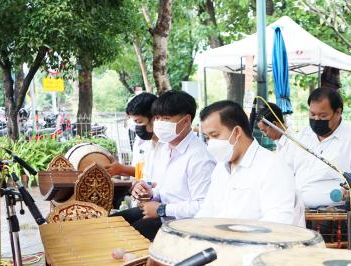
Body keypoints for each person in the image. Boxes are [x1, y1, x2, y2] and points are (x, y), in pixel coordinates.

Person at [113, 90, 216, 240]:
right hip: (161, 215)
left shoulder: (200, 158)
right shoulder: (167, 147)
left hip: (181, 228)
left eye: (166, 119)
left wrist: (162, 209)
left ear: (186, 121)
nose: (159, 124)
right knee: (113, 222)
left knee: (125, 238)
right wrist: (149, 193)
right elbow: (164, 189)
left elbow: (202, 206)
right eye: (158, 118)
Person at [195, 100, 301, 226]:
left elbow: (278, 224)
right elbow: (207, 212)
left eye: (215, 135)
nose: (210, 143)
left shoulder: (273, 168)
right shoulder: (220, 168)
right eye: (207, 138)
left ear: (237, 132)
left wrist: (233, 236)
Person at [282, 87, 351, 208]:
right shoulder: (302, 137)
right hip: (298, 211)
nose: (317, 119)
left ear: (338, 112)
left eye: (323, 116)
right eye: (312, 114)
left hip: (337, 215)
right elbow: (284, 168)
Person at [106, 92, 157, 178]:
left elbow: (153, 173)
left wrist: (123, 169)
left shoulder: (165, 144)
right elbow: (140, 170)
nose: (136, 125)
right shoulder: (142, 139)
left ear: (154, 118)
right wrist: (120, 170)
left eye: (139, 122)